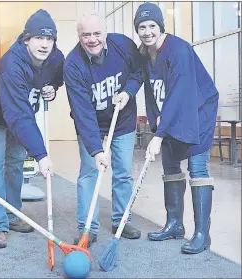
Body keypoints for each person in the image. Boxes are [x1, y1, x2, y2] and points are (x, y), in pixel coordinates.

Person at [133, 3, 219, 254]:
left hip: (197, 110)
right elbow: (151, 92)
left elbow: (181, 93)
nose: (147, 31)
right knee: (170, 166)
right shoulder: (144, 54)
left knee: (197, 167)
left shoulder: (179, 50)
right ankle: (174, 224)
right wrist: (155, 120)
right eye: (142, 26)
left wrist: (158, 135)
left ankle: (202, 234)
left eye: (152, 26)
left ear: (161, 26)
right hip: (171, 110)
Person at [0, 9, 64, 249]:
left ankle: (12, 214)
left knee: (16, 164)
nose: (45, 44)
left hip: (22, 116)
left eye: (49, 39)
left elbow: (57, 77)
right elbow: (17, 114)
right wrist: (41, 154)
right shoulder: (11, 65)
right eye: (39, 38)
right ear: (26, 39)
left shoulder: (56, 57)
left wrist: (52, 88)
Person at [63, 13, 143, 247]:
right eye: (86, 35)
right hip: (91, 124)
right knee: (89, 173)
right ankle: (88, 226)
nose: (92, 39)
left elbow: (138, 73)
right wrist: (96, 150)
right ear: (78, 36)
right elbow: (82, 112)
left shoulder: (123, 45)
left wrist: (128, 92)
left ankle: (121, 220)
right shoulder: (73, 64)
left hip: (123, 119)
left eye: (97, 33)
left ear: (105, 33)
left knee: (123, 172)